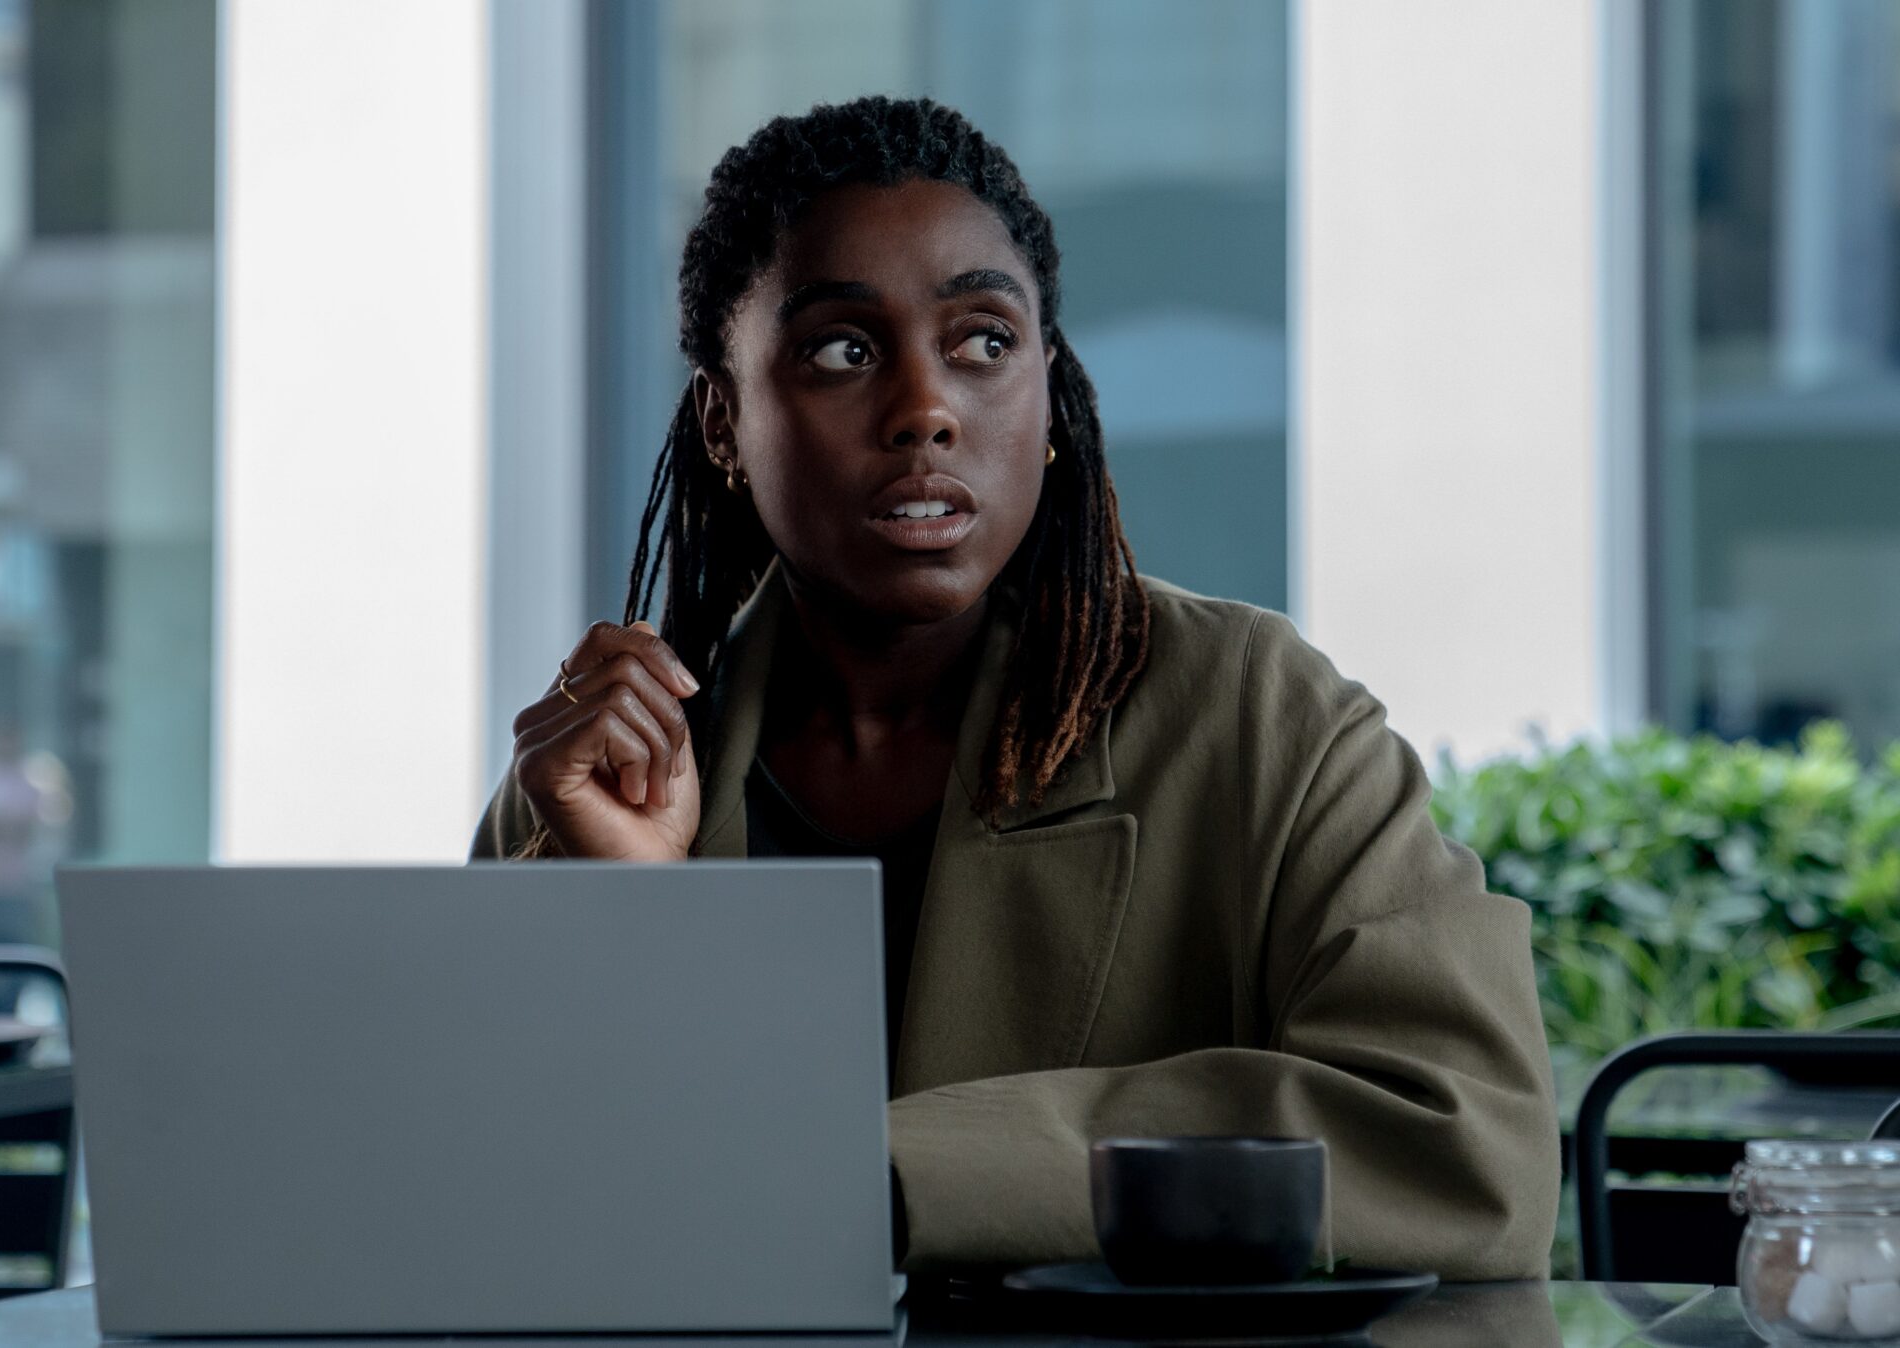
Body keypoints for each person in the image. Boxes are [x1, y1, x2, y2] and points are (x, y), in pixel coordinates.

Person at [472, 96, 1559, 1280]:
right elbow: (460, 1202)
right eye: (842, 347)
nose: (925, 411)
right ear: (723, 420)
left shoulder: (1262, 723)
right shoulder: (588, 784)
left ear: (1048, 394)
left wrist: (881, 1175)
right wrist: (631, 914)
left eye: (982, 341)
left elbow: (1466, 1145)